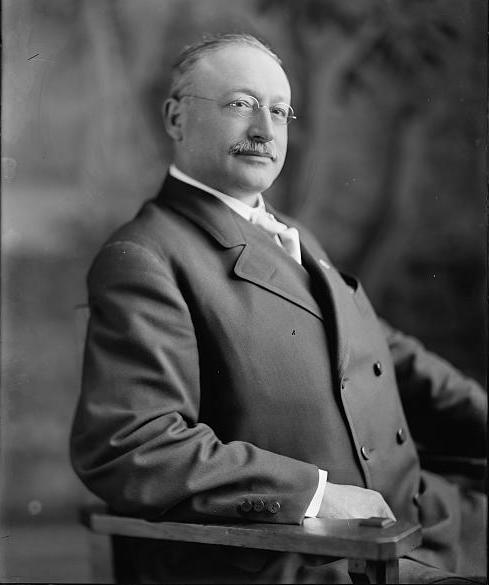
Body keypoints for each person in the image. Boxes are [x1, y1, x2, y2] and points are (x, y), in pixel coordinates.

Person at [70, 33, 487, 584]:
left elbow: (378, 347)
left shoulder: (291, 233)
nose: (265, 131)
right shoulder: (144, 257)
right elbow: (131, 443)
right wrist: (315, 497)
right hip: (307, 557)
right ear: (175, 118)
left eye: (280, 111)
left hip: (418, 521)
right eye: (241, 104)